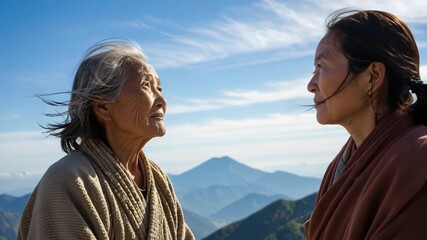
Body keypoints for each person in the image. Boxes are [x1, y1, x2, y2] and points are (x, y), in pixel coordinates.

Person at [17, 40, 195, 240]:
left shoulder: (158, 178)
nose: (162, 101)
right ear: (103, 107)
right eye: (146, 85)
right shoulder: (67, 180)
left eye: (160, 88)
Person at [305, 9, 427, 239]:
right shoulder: (342, 164)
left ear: (373, 76)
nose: (311, 85)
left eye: (321, 67)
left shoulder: (418, 163)